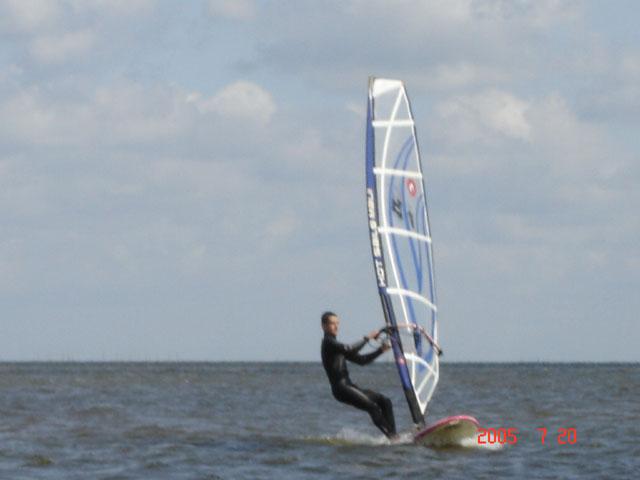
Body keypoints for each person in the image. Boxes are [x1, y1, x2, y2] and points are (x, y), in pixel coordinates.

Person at [320, 311, 397, 438]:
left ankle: (393, 434)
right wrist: (368, 338)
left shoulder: (337, 347)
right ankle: (393, 438)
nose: (336, 326)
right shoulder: (328, 343)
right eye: (332, 323)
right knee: (373, 408)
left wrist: (380, 350)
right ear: (324, 326)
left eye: (337, 323)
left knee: (385, 401)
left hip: (349, 386)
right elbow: (350, 349)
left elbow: (362, 361)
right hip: (341, 389)